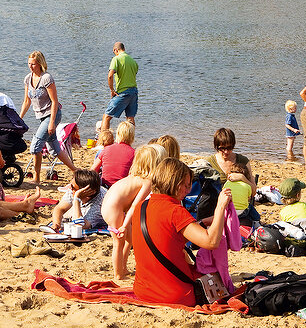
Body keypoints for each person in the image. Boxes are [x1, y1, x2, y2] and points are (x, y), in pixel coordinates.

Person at [129, 158, 232, 306]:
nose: (188, 190)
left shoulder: (141, 207)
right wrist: (220, 206)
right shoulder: (175, 211)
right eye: (185, 185)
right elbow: (211, 242)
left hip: (143, 290)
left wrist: (202, 223)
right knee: (217, 275)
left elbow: (168, 236)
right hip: (175, 294)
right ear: (174, 184)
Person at [102, 143, 165, 278]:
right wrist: (124, 226)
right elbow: (135, 206)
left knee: (130, 240)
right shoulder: (147, 181)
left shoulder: (135, 176)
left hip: (110, 204)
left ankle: (123, 268)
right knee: (118, 241)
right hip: (114, 208)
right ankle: (118, 274)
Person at [19, 51, 76, 178]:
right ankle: (75, 171)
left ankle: (37, 177)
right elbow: (26, 101)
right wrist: (19, 118)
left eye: (33, 64)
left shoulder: (46, 78)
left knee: (35, 146)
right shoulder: (28, 79)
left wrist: (52, 122)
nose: (30, 66)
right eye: (29, 63)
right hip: (41, 116)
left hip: (52, 115)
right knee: (54, 149)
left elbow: (55, 101)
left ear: (39, 63)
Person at [101, 42, 138, 131]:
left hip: (123, 92)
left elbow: (110, 75)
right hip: (134, 92)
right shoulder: (133, 61)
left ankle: (102, 141)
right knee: (130, 118)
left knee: (107, 116)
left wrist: (112, 90)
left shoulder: (116, 59)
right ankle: (130, 140)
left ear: (116, 50)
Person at [91, 120, 135, 188]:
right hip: (122, 188)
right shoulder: (134, 153)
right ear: (132, 136)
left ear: (118, 134)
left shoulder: (106, 149)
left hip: (106, 186)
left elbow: (93, 170)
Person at [223, 161, 258, 226]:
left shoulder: (227, 183)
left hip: (229, 211)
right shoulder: (247, 185)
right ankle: (257, 220)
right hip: (242, 212)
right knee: (249, 206)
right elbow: (249, 197)